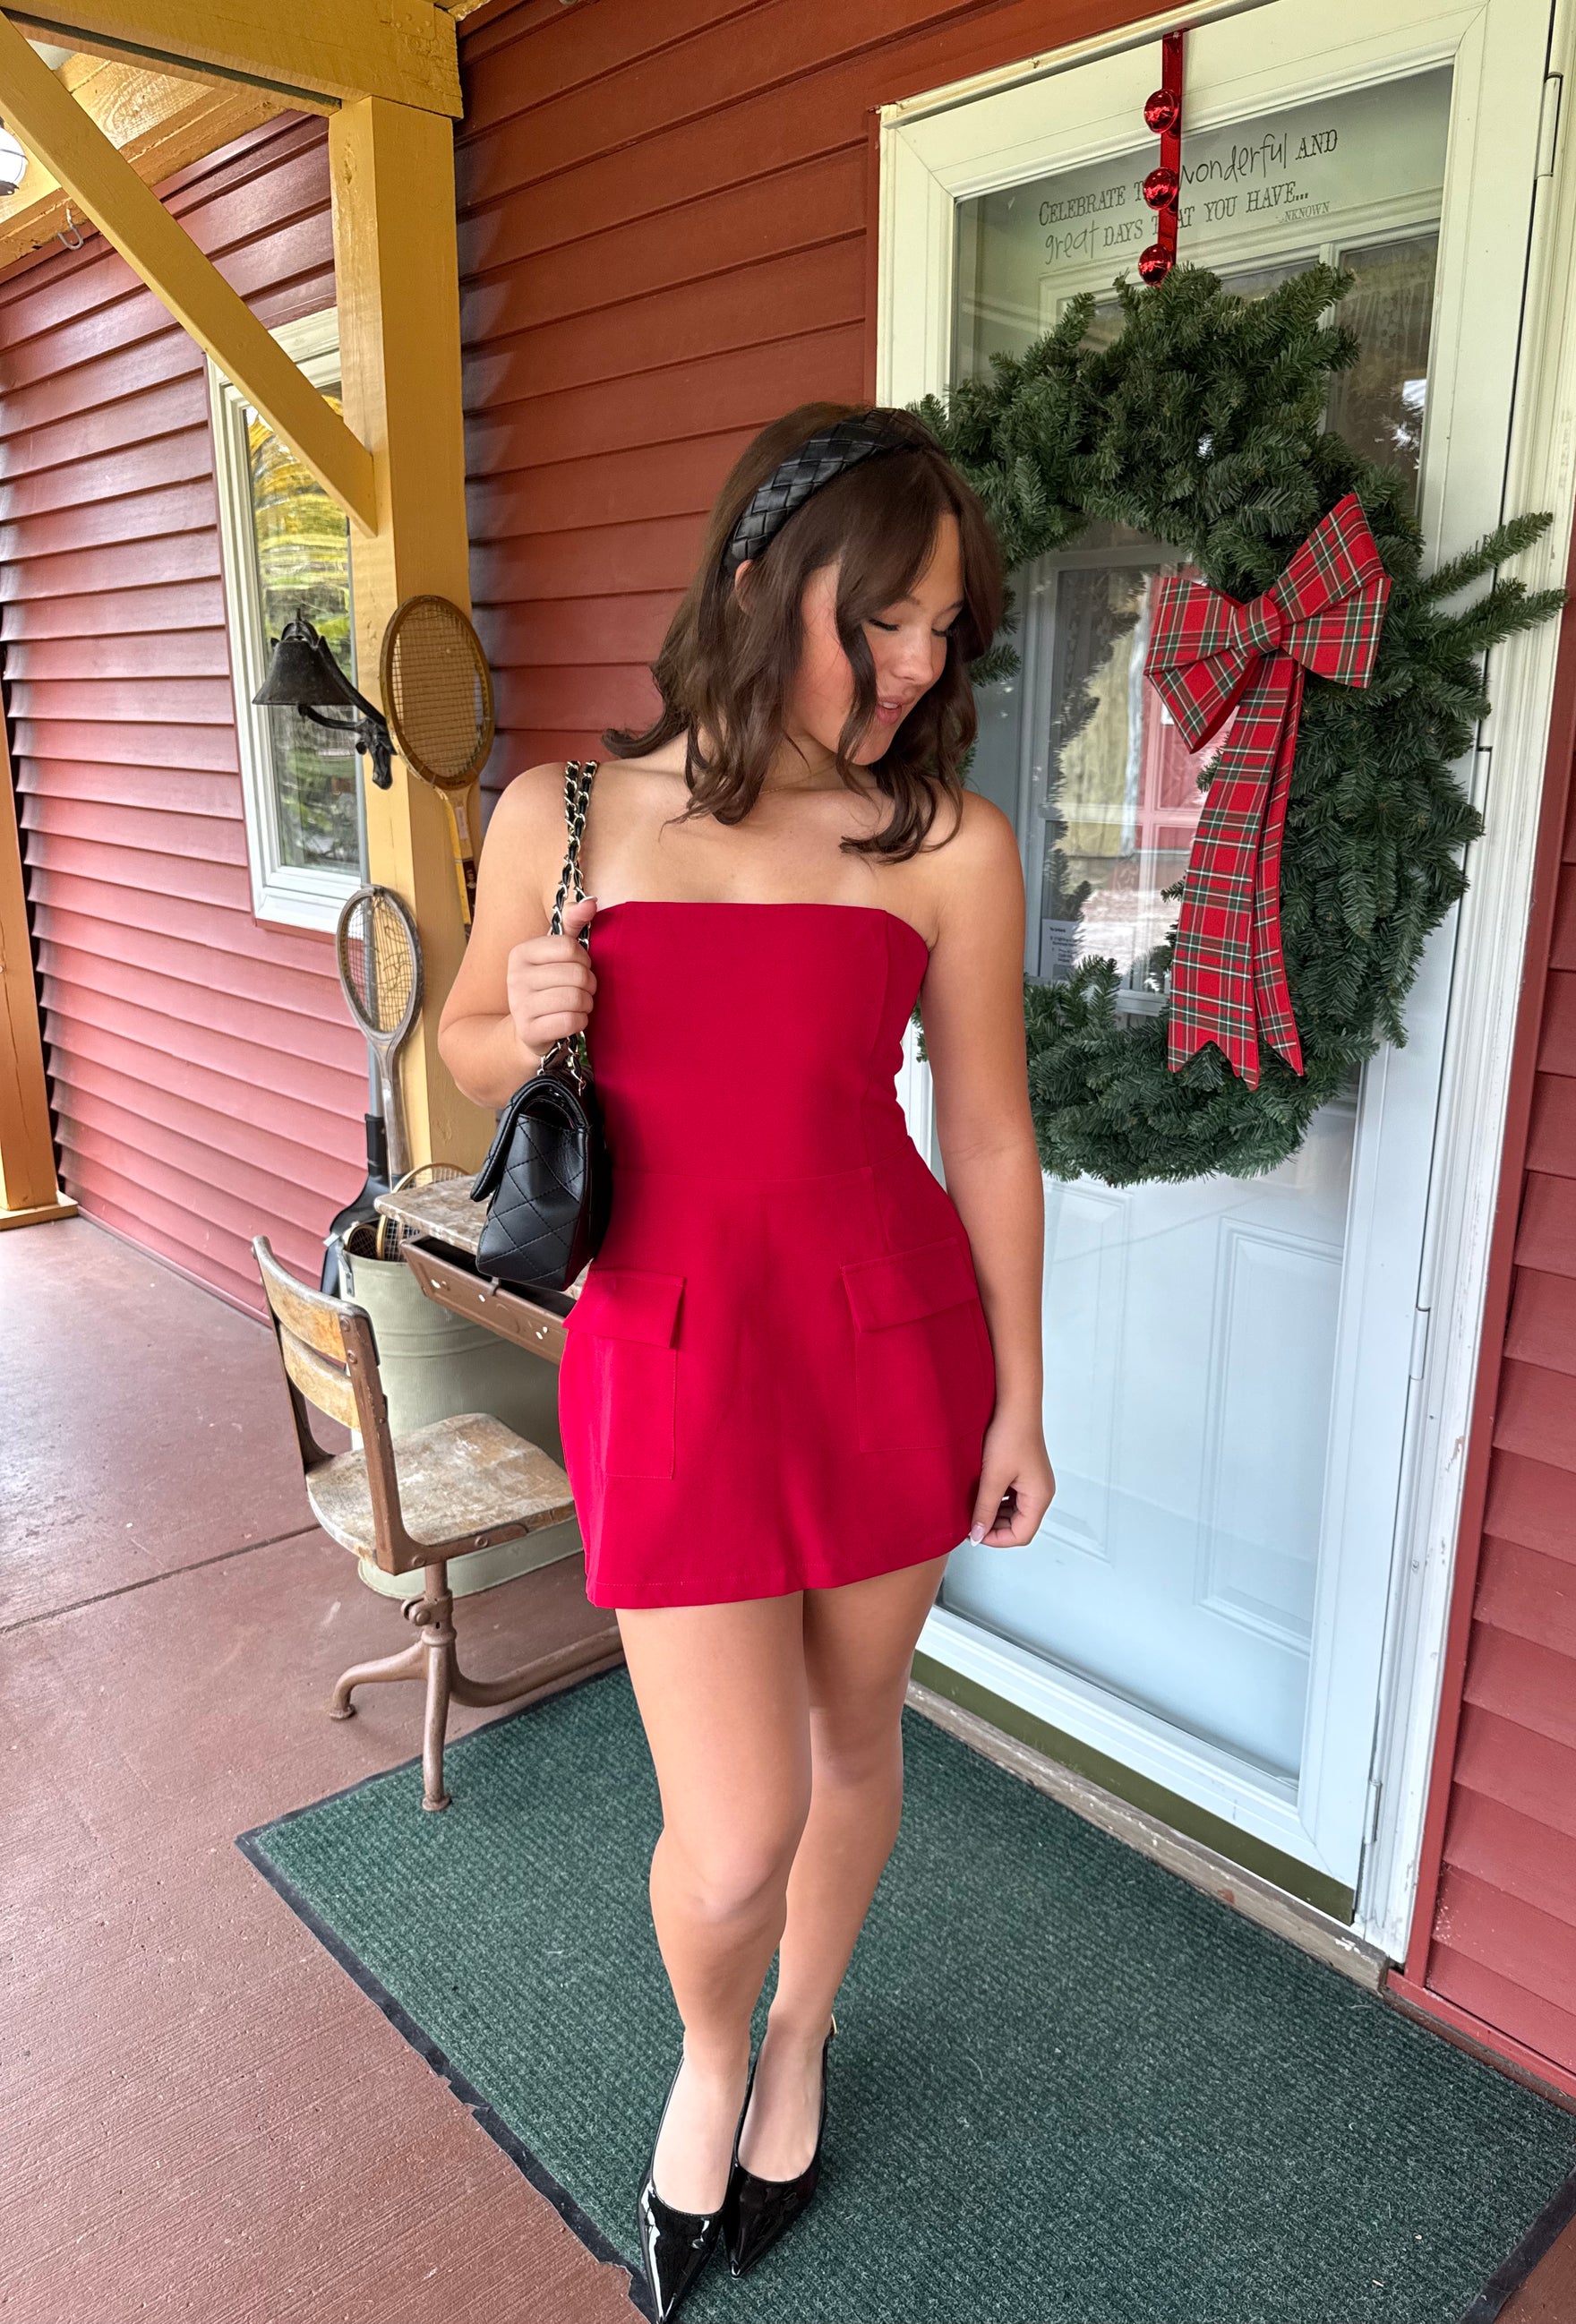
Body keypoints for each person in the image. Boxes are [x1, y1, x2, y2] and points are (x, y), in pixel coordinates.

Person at [438, 402, 1053, 2319]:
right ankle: (709, 2054)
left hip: (889, 1347)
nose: (918, 666)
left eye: (945, 630)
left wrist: (1022, 1397)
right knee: (728, 1840)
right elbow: (462, 1052)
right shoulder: (560, 814)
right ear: (760, 582)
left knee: (855, 1743)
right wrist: (521, 1014)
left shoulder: (945, 843)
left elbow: (991, 1133)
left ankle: (799, 2037)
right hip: (669, 1353)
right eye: (883, 621)